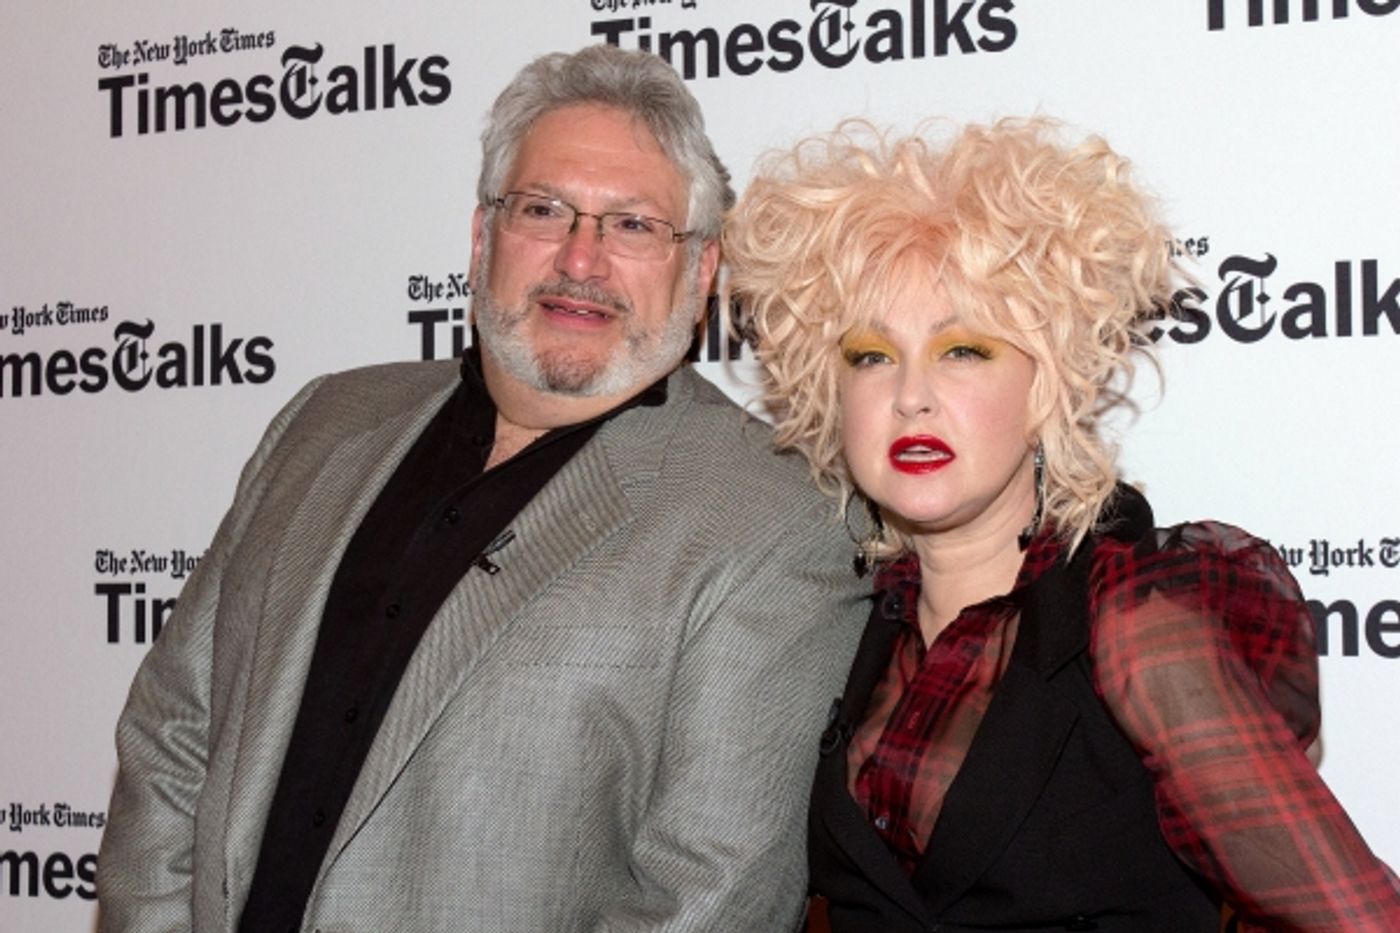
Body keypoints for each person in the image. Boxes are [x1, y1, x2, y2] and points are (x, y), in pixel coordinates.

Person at [97, 44, 866, 933]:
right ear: (482, 237)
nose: (582, 260)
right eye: (543, 209)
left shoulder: (772, 516)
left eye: (632, 226)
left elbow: (709, 893)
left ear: (700, 272)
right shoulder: (322, 421)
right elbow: (172, 735)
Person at [724, 118, 1400, 932]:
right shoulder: (853, 624)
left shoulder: (1132, 622)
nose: (910, 395)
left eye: (963, 350)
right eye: (871, 355)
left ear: (1047, 382)